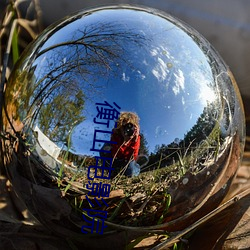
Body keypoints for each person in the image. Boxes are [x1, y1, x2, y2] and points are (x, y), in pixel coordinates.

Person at [107, 111, 141, 178]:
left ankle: (137, 167)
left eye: (130, 126)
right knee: (105, 147)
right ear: (120, 127)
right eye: (125, 126)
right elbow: (114, 154)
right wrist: (125, 142)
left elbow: (133, 157)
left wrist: (134, 141)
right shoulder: (115, 135)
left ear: (135, 128)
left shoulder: (136, 138)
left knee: (131, 173)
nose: (128, 129)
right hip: (117, 160)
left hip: (128, 161)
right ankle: (109, 169)